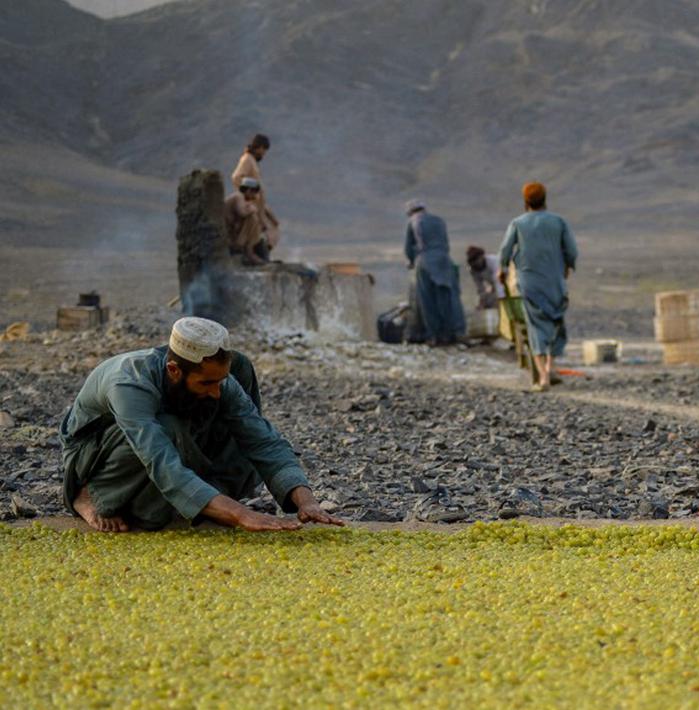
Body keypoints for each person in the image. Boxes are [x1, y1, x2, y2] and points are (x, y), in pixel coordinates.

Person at [59, 317, 344, 532]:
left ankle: (199, 498)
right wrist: (239, 514)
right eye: (207, 382)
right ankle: (88, 495)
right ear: (174, 370)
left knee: (237, 398)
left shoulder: (217, 380)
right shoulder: (128, 383)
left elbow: (262, 439)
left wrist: (306, 500)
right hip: (95, 456)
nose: (217, 390)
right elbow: (160, 460)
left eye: (220, 381)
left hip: (173, 440)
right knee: (170, 429)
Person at [499, 182, 578, 391]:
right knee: (555, 321)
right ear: (545, 199)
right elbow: (572, 250)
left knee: (535, 326)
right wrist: (568, 266)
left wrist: (503, 270)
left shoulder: (517, 223)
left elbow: (505, 251)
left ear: (526, 202)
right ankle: (551, 367)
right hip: (555, 282)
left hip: (529, 282)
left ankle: (543, 377)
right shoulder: (558, 222)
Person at [404, 200, 466, 345]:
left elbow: (408, 248)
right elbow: (445, 243)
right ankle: (457, 332)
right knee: (450, 298)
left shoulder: (413, 222)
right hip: (445, 260)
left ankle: (434, 335)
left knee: (428, 300)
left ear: (410, 212)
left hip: (425, 261)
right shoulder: (439, 221)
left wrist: (412, 261)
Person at [231, 133, 280, 259]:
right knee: (258, 235)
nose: (264, 154)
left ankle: (261, 257)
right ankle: (257, 259)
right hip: (251, 206)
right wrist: (250, 195)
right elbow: (237, 177)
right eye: (263, 150)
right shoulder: (247, 159)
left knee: (272, 227)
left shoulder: (252, 161)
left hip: (259, 206)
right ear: (259, 147)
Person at [224, 177, 267, 265]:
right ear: (248, 190)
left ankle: (249, 249)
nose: (254, 196)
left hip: (232, 231)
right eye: (253, 192)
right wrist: (253, 209)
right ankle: (248, 250)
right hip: (229, 235)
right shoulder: (238, 196)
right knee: (252, 217)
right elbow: (242, 212)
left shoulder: (241, 198)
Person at [466, 245, 505, 310]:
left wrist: (501, 299)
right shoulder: (473, 269)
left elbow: (498, 281)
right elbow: (480, 288)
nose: (476, 263)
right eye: (473, 261)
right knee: (485, 301)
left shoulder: (493, 261)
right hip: (494, 284)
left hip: (505, 279)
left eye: (477, 259)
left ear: (482, 256)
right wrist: (482, 301)